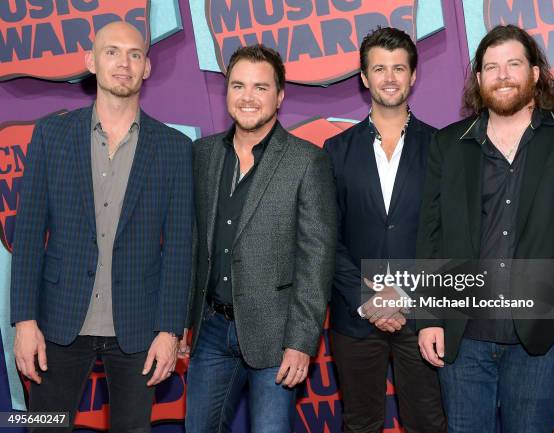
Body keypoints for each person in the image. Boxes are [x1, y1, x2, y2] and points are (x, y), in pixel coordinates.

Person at [416, 24, 554, 433]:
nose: (502, 75)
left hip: (540, 334)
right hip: (463, 336)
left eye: (513, 64)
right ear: (479, 79)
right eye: (491, 67)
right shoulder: (448, 144)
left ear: (534, 73)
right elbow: (430, 236)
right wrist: (429, 316)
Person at [10, 21, 193, 433]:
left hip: (139, 328)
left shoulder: (175, 149)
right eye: (112, 52)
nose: (123, 63)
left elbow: (181, 247)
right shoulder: (51, 135)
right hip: (57, 320)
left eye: (134, 54)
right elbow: (28, 235)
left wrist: (169, 329)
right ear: (91, 62)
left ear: (147, 67)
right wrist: (24, 322)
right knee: (44, 427)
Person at [184, 44, 336, 433]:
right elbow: (191, 247)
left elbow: (316, 259)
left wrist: (302, 342)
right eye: (238, 86)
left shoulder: (307, 161)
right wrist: (184, 322)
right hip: (211, 330)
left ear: (280, 96)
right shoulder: (202, 155)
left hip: (276, 334)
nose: (247, 97)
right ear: (227, 92)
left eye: (260, 88)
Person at [323, 27, 446, 433]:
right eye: (379, 68)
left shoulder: (444, 147)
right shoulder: (336, 151)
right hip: (356, 317)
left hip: (424, 318)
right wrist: (367, 296)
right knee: (360, 424)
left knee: (428, 423)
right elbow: (326, 237)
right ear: (364, 77)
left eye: (398, 68)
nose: (389, 77)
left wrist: (406, 296)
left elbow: (451, 234)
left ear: (413, 76)